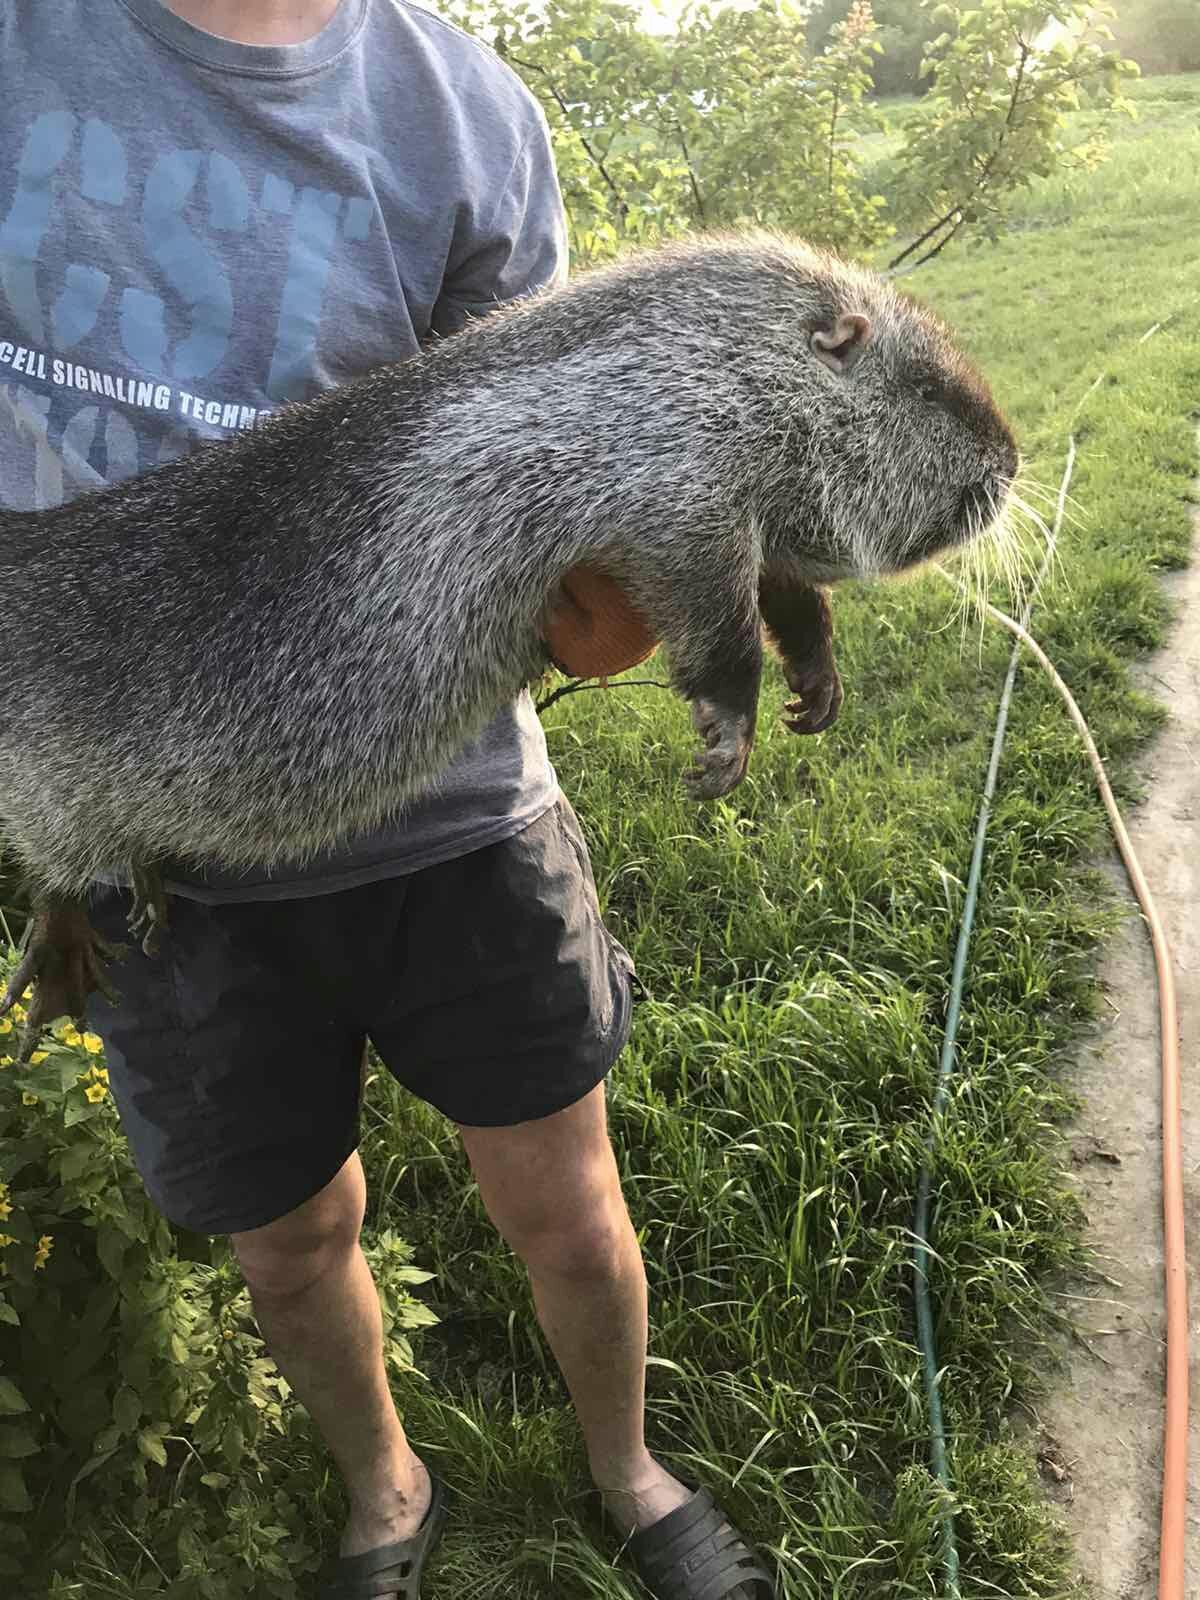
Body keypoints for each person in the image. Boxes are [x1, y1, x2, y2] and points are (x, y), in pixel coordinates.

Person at [0, 3, 773, 1595]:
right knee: (285, 1245)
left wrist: (651, 593)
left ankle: (627, 1470)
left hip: (450, 810)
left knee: (565, 1205)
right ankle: (386, 1494)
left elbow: (575, 517)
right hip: (149, 836)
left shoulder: (465, 116)